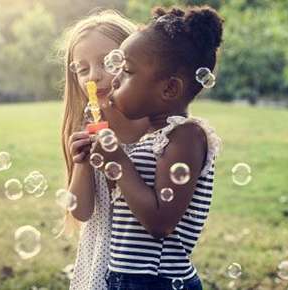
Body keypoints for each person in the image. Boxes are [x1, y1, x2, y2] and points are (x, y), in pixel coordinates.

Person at [90, 5, 223, 290]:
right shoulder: (153, 137)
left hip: (157, 280)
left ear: (169, 89)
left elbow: (161, 222)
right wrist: (105, 160)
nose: (115, 79)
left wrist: (118, 161)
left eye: (126, 71)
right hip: (127, 277)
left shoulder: (186, 136)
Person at [58, 10, 149, 289]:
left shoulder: (154, 128)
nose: (94, 76)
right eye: (83, 69)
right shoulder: (86, 129)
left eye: (106, 62)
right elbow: (82, 212)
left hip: (141, 266)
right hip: (97, 262)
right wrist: (83, 163)